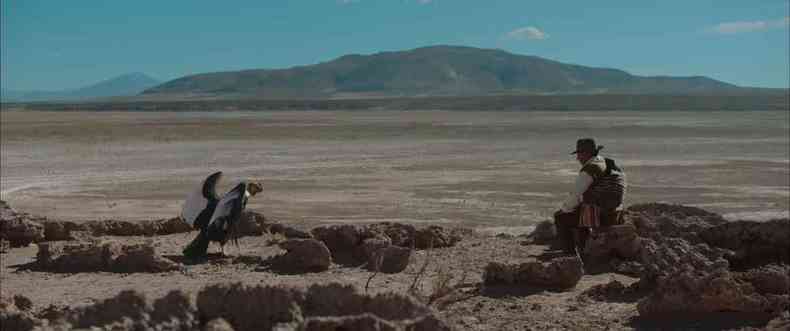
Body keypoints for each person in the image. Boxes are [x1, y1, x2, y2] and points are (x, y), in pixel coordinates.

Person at [554, 138, 626, 255]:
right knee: (580, 211)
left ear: (586, 154)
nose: (577, 158)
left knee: (561, 218)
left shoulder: (590, 169)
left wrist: (564, 210)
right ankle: (584, 249)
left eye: (579, 154)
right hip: (615, 210)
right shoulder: (606, 163)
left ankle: (569, 255)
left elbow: (575, 194)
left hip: (602, 214)